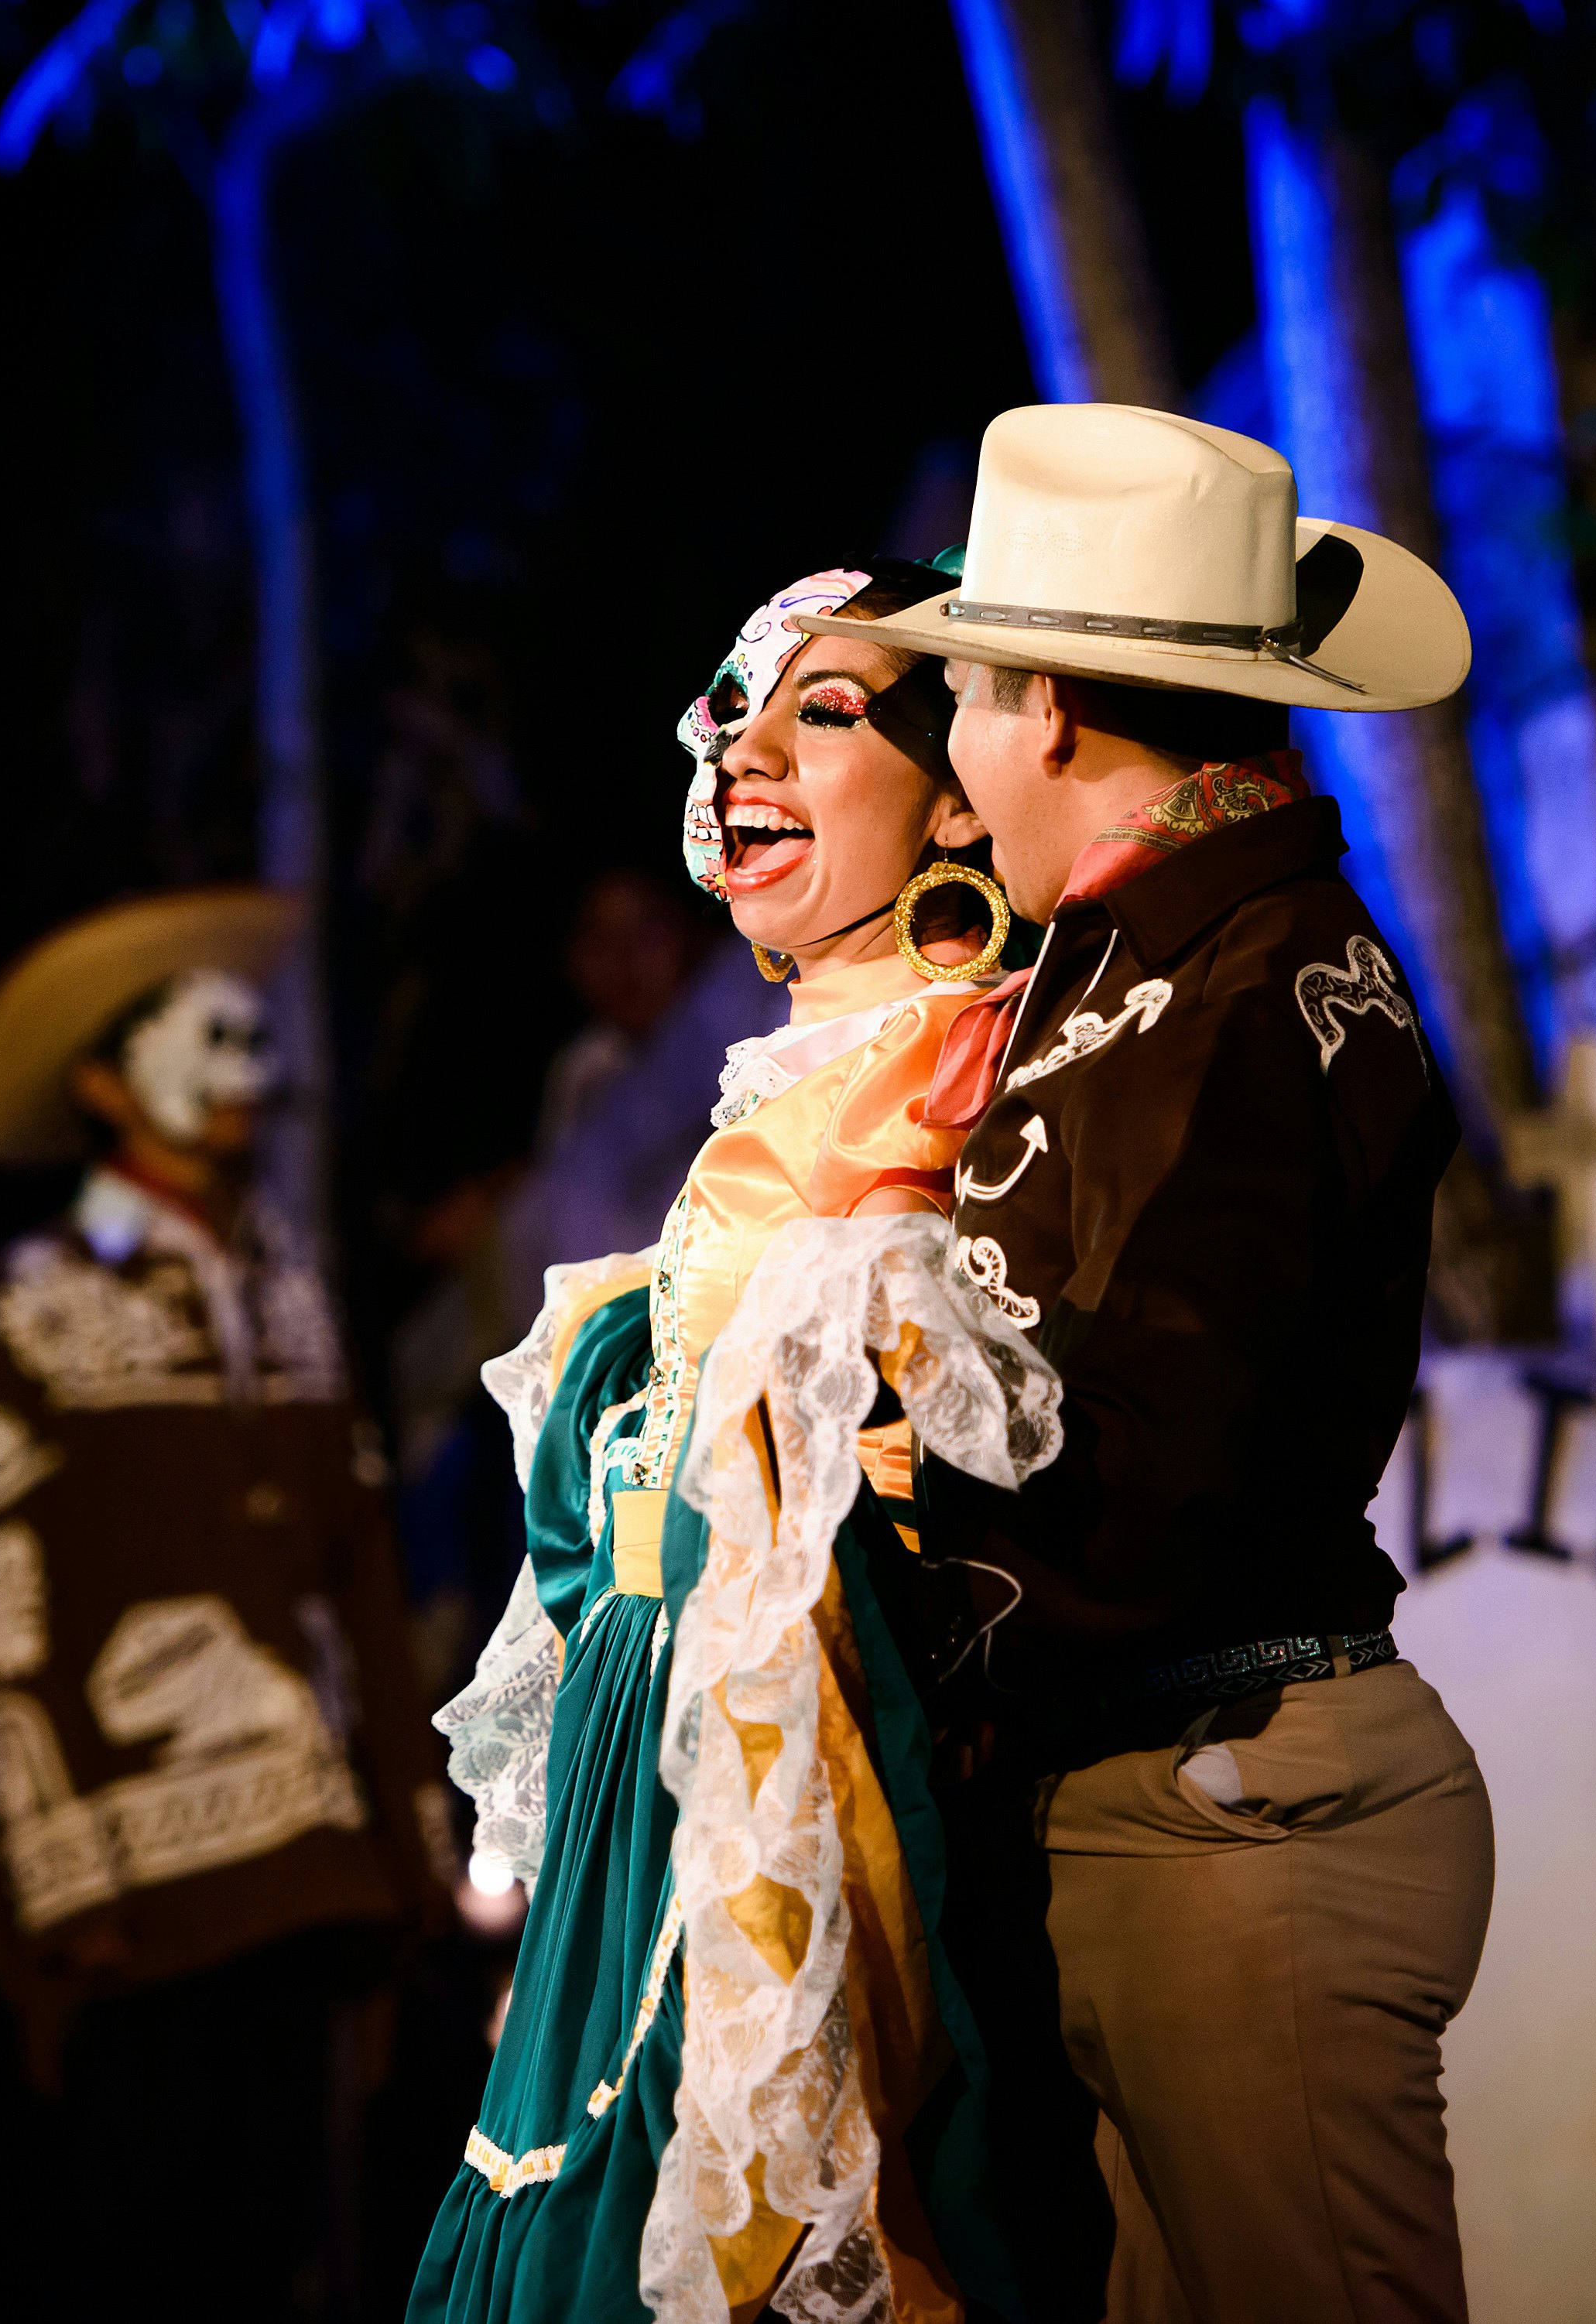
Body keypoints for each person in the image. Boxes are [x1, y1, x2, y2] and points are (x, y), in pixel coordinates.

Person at [802, 402, 1496, 2322]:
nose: (947, 753)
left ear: (1052, 717)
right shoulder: (1146, 955)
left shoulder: (1253, 993)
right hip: (1156, 1795)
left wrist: (865, 1478)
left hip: (1232, 1804)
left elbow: (1152, 1460)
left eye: (963, 697)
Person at [411, 563, 1060, 2324]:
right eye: (732, 708)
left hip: (816, 1773)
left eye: (826, 711)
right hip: (659, 1770)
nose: (743, 751)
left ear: (956, 797)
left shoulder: (959, 1079)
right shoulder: (798, 1079)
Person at [0, 885, 449, 2324]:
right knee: (143, 2251)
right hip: (138, 1891)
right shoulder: (19, 1308)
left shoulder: (288, 1289)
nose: (239, 1060)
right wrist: (52, 1878)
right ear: (104, 1082)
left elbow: (361, 1578)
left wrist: (408, 1850)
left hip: (314, 1879)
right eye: (197, 1034)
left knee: (289, 2248)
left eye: (248, 1031)